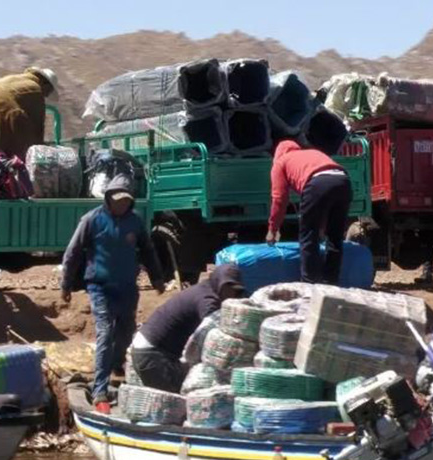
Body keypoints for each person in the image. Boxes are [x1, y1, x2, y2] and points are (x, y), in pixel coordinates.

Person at [61, 175, 167, 410]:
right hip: (100, 287)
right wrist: (65, 285)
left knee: (127, 330)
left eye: (126, 201)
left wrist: (157, 278)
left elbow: (148, 250)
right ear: (108, 198)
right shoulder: (92, 220)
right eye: (118, 200)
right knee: (105, 333)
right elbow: (73, 253)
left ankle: (117, 363)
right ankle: (100, 389)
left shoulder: (135, 222)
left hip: (128, 286)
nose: (122, 204)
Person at [131, 264, 246, 392]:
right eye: (227, 287)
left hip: (153, 350)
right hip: (152, 354)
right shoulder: (207, 300)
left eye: (235, 290)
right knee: (180, 399)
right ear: (218, 282)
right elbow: (215, 334)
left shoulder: (204, 289)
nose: (231, 293)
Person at [267, 139, 353, 284]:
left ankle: (310, 283)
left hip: (317, 183)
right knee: (335, 236)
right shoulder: (313, 152)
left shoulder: (280, 162)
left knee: (308, 235)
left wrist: (273, 229)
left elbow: (279, 199)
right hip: (343, 181)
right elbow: (328, 190)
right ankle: (331, 282)